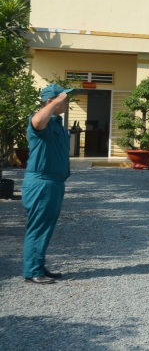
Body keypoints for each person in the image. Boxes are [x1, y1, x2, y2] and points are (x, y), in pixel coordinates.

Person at [23, 83, 74, 284]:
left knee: (45, 227)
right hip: (42, 183)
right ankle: (33, 271)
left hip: (53, 182)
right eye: (64, 99)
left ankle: (38, 265)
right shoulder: (41, 121)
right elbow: (36, 121)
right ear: (51, 101)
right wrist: (54, 104)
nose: (67, 102)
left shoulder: (56, 123)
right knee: (38, 227)